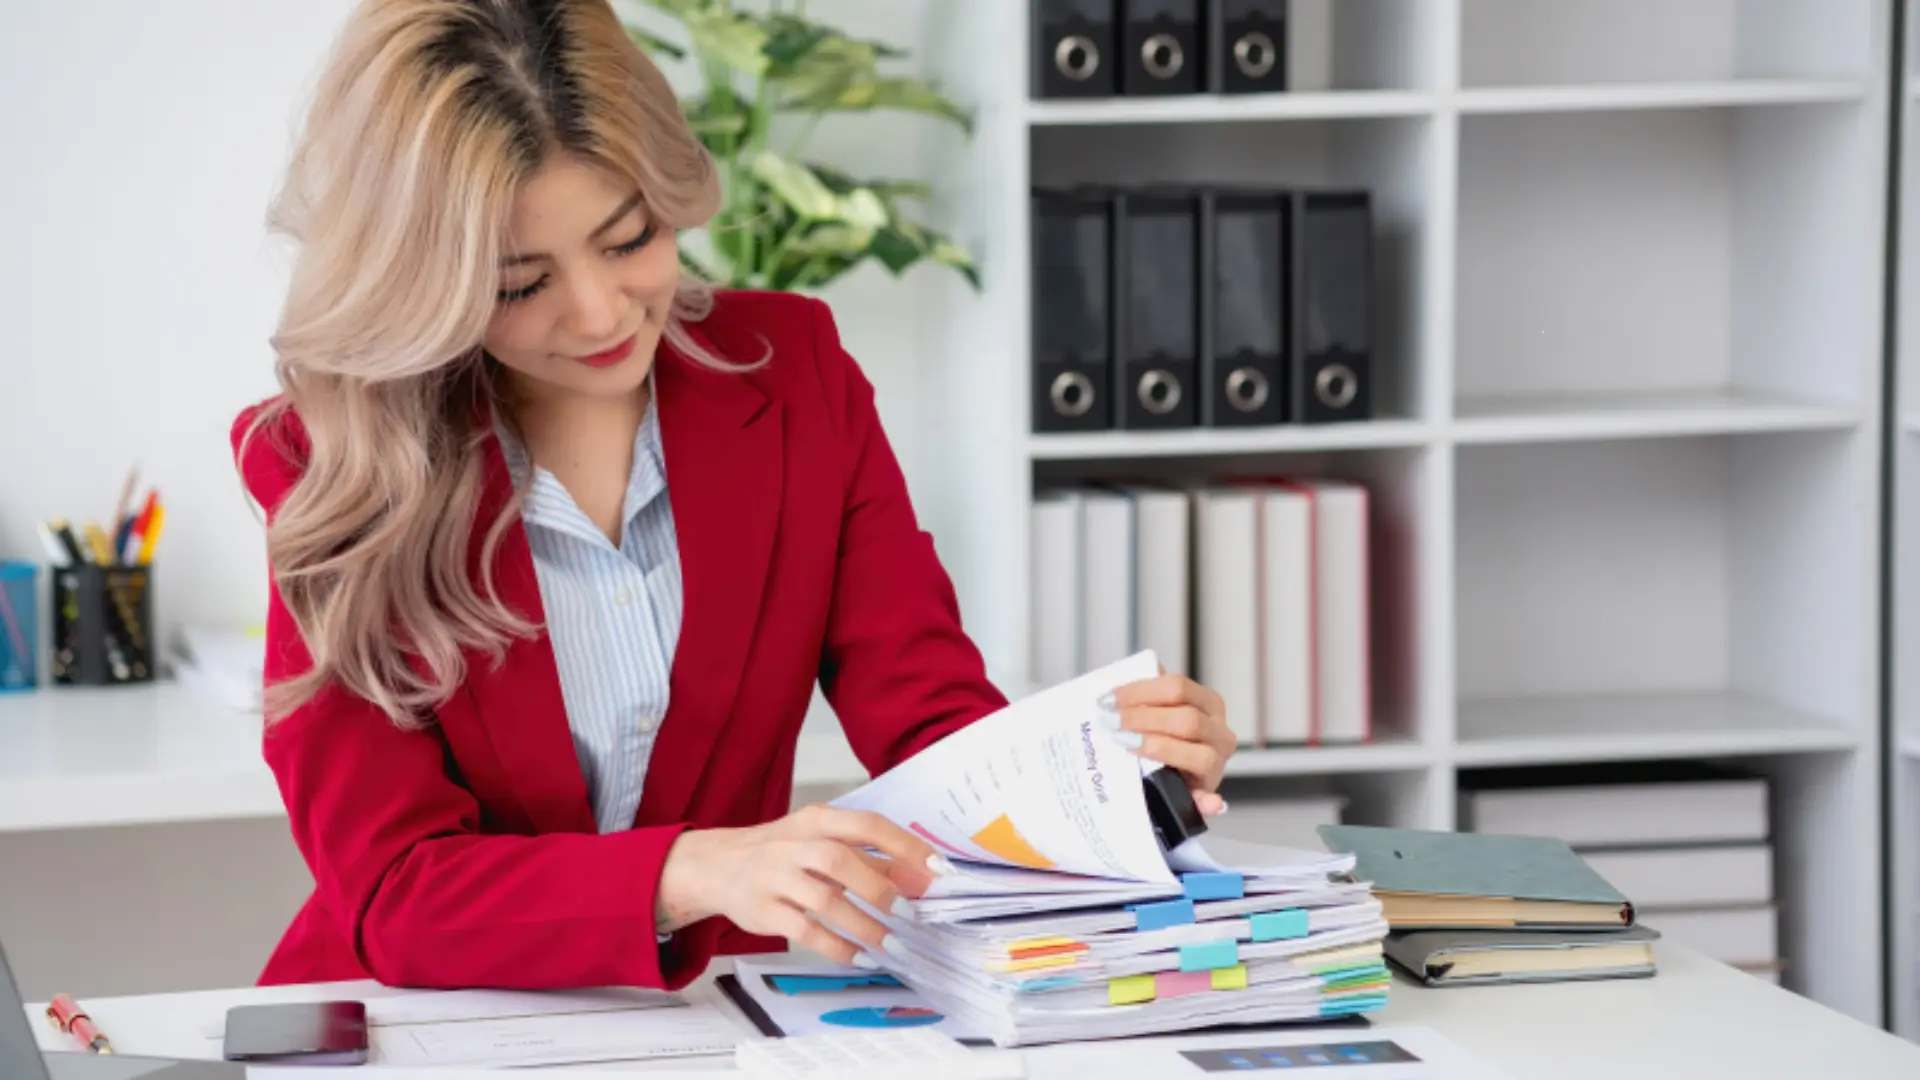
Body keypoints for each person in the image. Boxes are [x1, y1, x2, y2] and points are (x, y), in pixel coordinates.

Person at [233, 0, 1238, 992]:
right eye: (517, 284)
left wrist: (1105, 768)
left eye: (628, 239)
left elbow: (931, 723)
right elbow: (392, 890)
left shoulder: (791, 373)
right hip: (413, 1030)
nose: (597, 313)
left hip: (712, 1030)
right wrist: (693, 870)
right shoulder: (333, 461)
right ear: (426, 280)